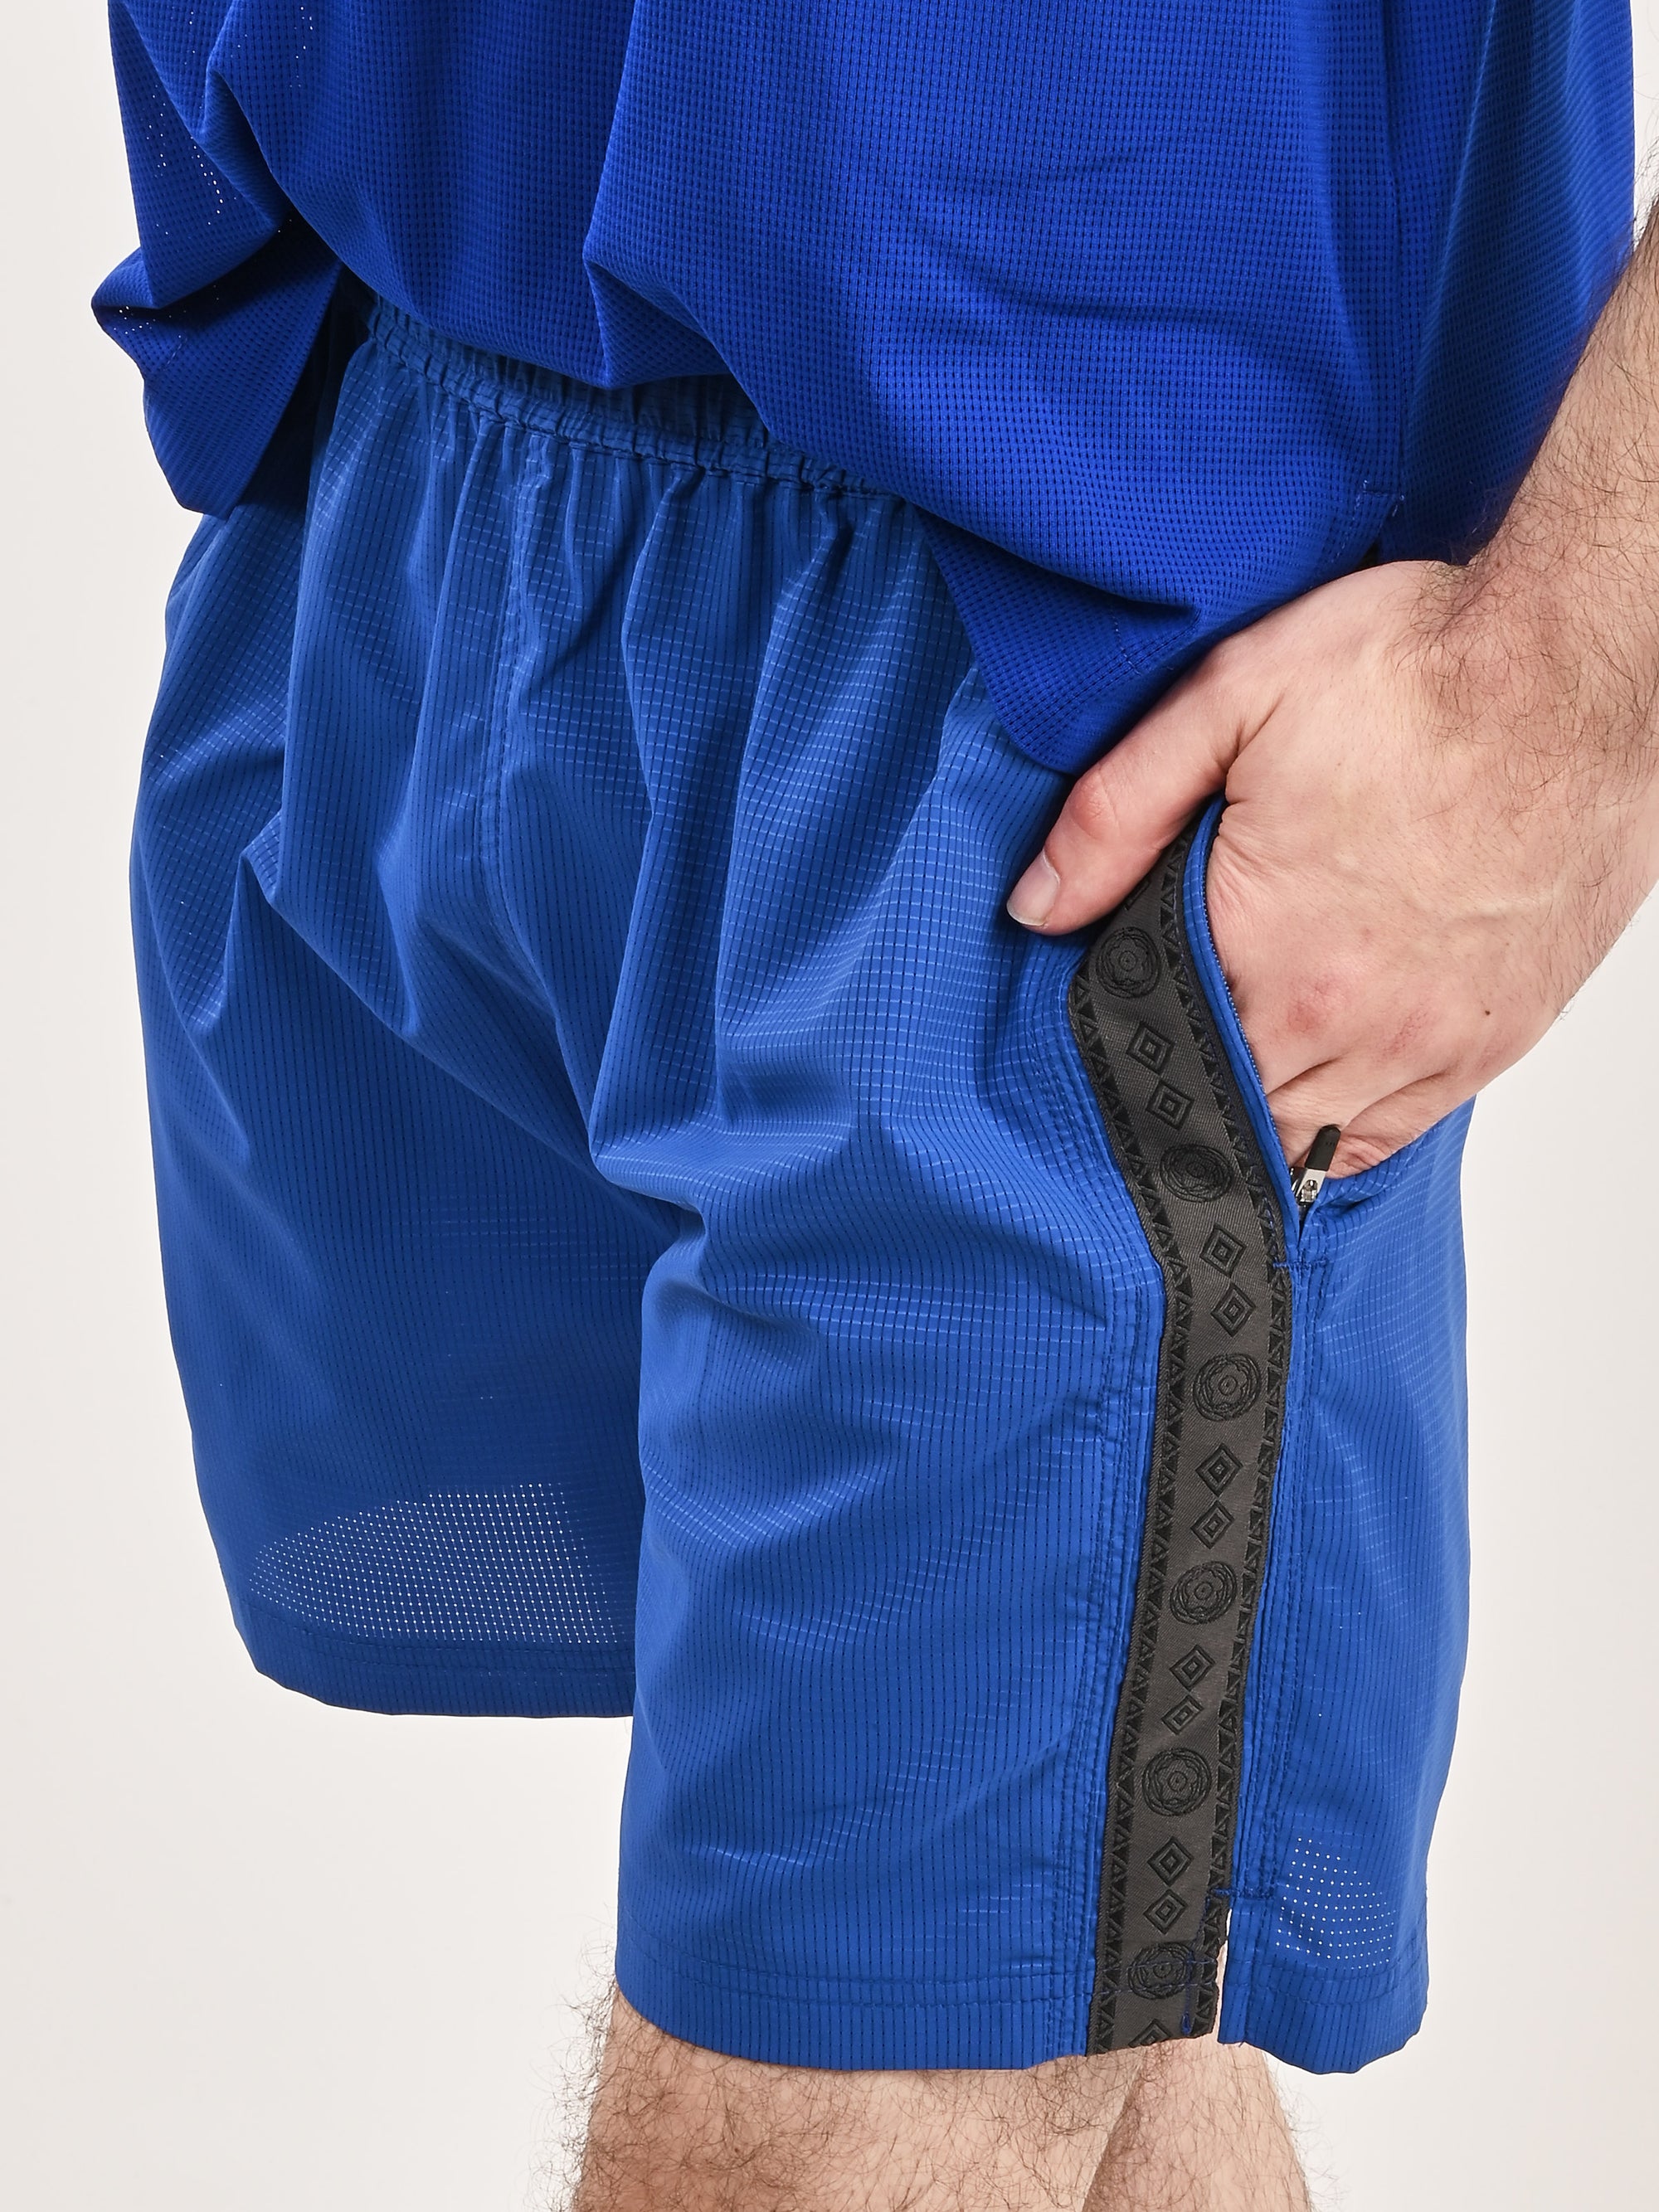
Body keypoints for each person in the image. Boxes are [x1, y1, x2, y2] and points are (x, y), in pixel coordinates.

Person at [96, 6, 1647, 2205]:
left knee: (855, 2058)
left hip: (1059, 716)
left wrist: (1569, 691)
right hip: (407, 450)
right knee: (1062, 1999)